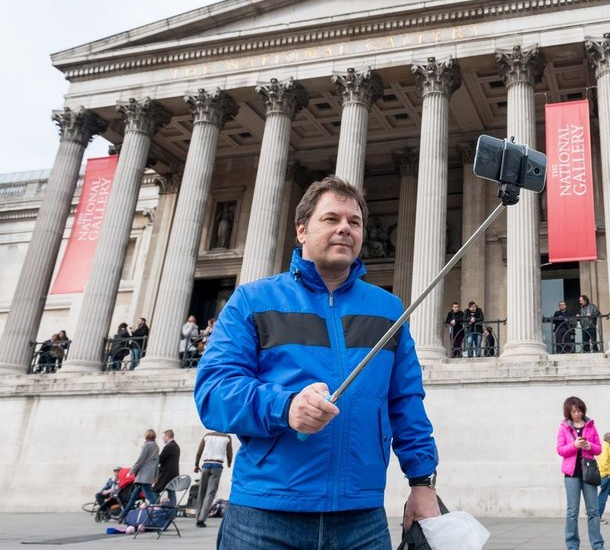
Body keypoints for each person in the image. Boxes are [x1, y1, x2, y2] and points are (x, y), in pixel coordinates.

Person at [194, 175, 439, 548]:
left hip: (361, 520)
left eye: (354, 222)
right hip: (264, 518)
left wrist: (422, 483)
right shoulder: (251, 301)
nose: (345, 228)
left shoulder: (389, 310)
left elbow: (405, 403)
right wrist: (285, 406)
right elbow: (214, 392)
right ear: (302, 230)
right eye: (331, 219)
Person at [556, 396, 604, 550]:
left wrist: (589, 446)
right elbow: (560, 450)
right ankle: (572, 546)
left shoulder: (590, 425)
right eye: (574, 411)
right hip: (571, 475)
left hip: (589, 472)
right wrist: (574, 445)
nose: (577, 414)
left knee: (593, 512)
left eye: (579, 410)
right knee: (572, 512)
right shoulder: (563, 427)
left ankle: (597, 545)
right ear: (568, 413)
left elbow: (599, 448)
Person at [193, 430, 234, 528]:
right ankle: (201, 519)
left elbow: (199, 452)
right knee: (210, 493)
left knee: (201, 492)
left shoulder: (207, 436)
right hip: (217, 465)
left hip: (205, 465)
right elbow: (230, 452)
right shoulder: (227, 437)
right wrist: (229, 462)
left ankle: (197, 516)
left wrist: (196, 464)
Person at [118, 429, 160, 522]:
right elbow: (157, 462)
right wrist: (155, 476)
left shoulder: (147, 445)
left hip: (143, 476)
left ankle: (159, 512)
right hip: (149, 476)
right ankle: (123, 515)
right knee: (133, 497)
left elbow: (140, 460)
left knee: (149, 497)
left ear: (146, 436)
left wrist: (131, 471)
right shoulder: (156, 447)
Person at [153, 429, 181, 506]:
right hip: (173, 473)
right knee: (171, 492)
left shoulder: (168, 446)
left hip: (166, 474)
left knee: (155, 490)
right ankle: (172, 513)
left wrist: (154, 457)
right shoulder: (176, 446)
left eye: (163, 437)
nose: (163, 439)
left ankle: (156, 509)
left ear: (167, 436)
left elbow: (161, 459)